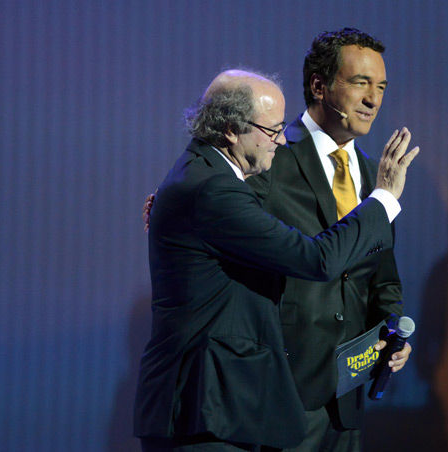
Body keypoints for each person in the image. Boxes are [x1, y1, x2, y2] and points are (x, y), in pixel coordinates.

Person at [143, 29, 414, 451]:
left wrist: (392, 327)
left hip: (347, 392)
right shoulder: (267, 156)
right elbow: (223, 206)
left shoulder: (374, 174)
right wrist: (165, 205)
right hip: (279, 389)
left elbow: (381, 274)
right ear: (319, 86)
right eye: (361, 82)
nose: (372, 99)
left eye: (381, 87)